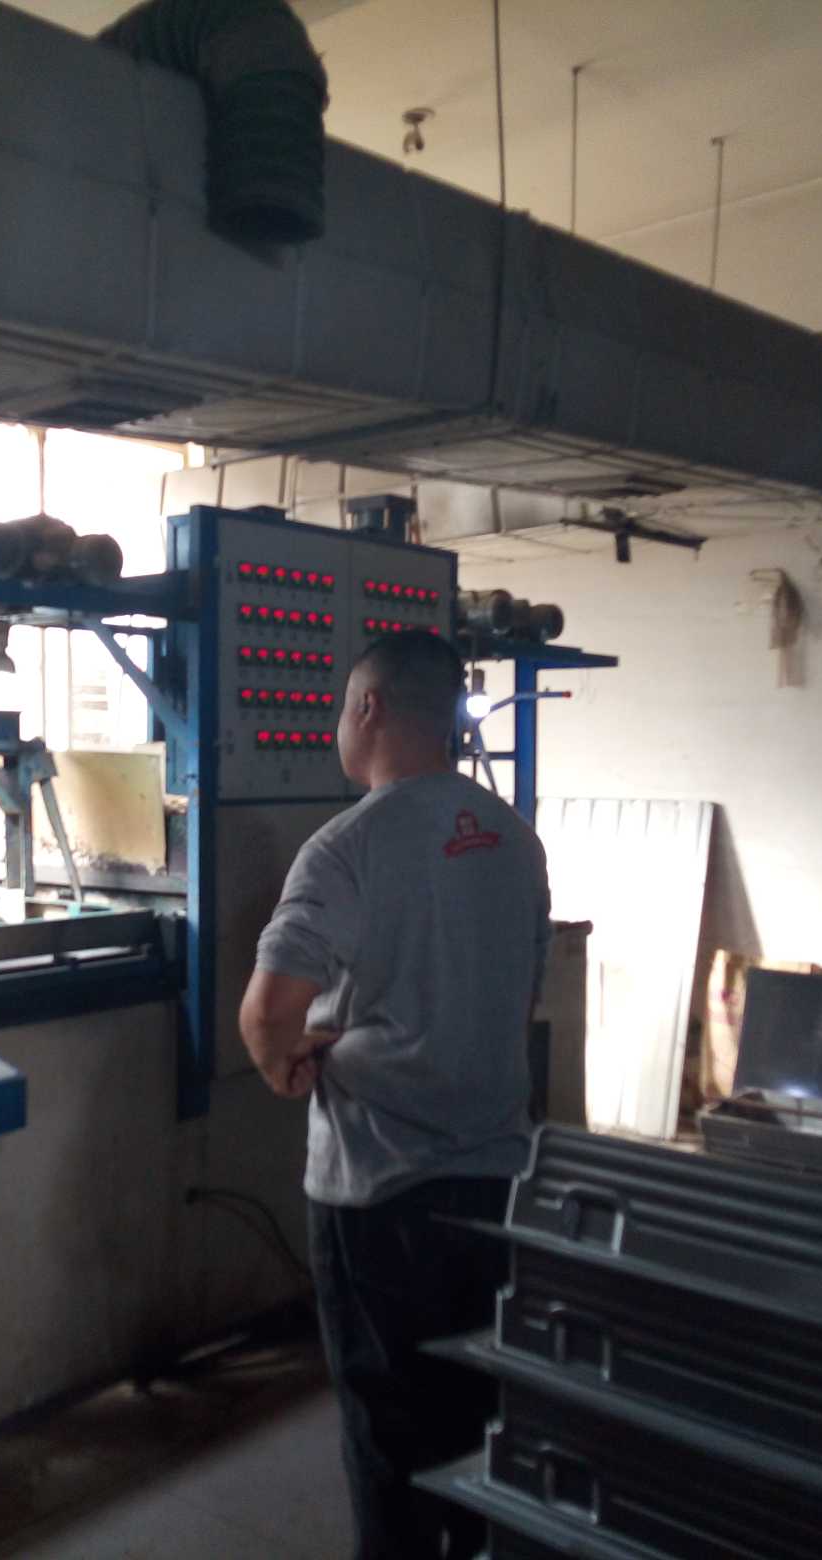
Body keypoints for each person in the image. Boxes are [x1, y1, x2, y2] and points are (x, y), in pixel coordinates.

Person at [241, 629, 551, 1560]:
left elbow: (269, 1013)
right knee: (477, 1417)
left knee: (387, 1434)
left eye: (345, 707)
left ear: (369, 708)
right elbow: (518, 995)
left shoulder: (347, 847)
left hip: (378, 1192)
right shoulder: (514, 837)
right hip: (498, 1181)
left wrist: (285, 1063)